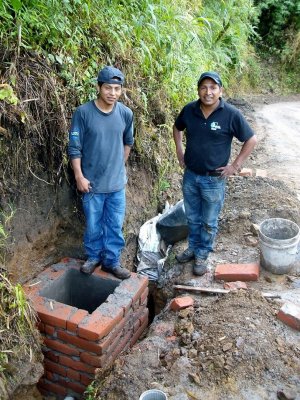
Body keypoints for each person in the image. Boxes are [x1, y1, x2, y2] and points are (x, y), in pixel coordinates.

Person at [173, 71, 257, 276]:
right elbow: (177, 128)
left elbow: (251, 139)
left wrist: (235, 166)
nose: (208, 92)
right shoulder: (190, 110)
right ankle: (193, 247)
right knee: (192, 216)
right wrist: (179, 150)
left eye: (213, 87)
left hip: (214, 179)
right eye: (204, 87)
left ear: (220, 90)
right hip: (191, 175)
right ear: (198, 90)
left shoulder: (231, 114)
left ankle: (202, 253)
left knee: (209, 221)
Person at [68, 66, 134, 280]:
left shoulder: (125, 113)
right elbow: (74, 147)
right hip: (92, 185)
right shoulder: (83, 113)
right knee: (94, 224)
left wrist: (118, 165)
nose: (112, 93)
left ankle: (112, 261)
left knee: (114, 225)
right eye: (108, 88)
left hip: (116, 185)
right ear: (99, 87)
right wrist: (79, 176)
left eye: (117, 89)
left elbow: (128, 142)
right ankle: (93, 257)